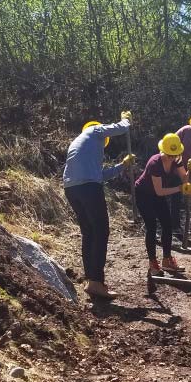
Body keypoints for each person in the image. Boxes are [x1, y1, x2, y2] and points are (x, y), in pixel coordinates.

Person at [63, 112, 136, 300]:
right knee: (101, 231)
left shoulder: (80, 145)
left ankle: (91, 280)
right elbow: (117, 128)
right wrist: (126, 120)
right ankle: (96, 282)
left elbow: (100, 175)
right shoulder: (94, 131)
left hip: (72, 189)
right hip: (88, 188)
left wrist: (122, 165)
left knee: (89, 232)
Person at [135, 133, 191, 276]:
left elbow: (184, 179)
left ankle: (167, 260)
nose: (173, 157)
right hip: (144, 194)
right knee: (152, 227)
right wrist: (180, 189)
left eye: (175, 154)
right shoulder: (154, 163)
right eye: (170, 154)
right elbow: (160, 191)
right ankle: (153, 263)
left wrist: (190, 170)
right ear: (164, 150)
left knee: (167, 225)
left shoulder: (177, 159)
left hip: (157, 195)